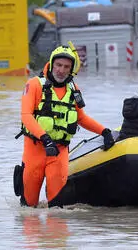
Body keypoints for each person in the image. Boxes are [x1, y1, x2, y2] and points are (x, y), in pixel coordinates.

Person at [15, 44, 115, 207]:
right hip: (35, 150)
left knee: (57, 208)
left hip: (59, 152)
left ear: (71, 69)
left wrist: (104, 131)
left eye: (66, 67)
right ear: (52, 64)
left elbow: (81, 118)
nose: (61, 70)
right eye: (59, 65)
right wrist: (45, 139)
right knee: (29, 207)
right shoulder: (34, 85)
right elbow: (26, 116)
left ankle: (56, 232)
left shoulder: (73, 89)